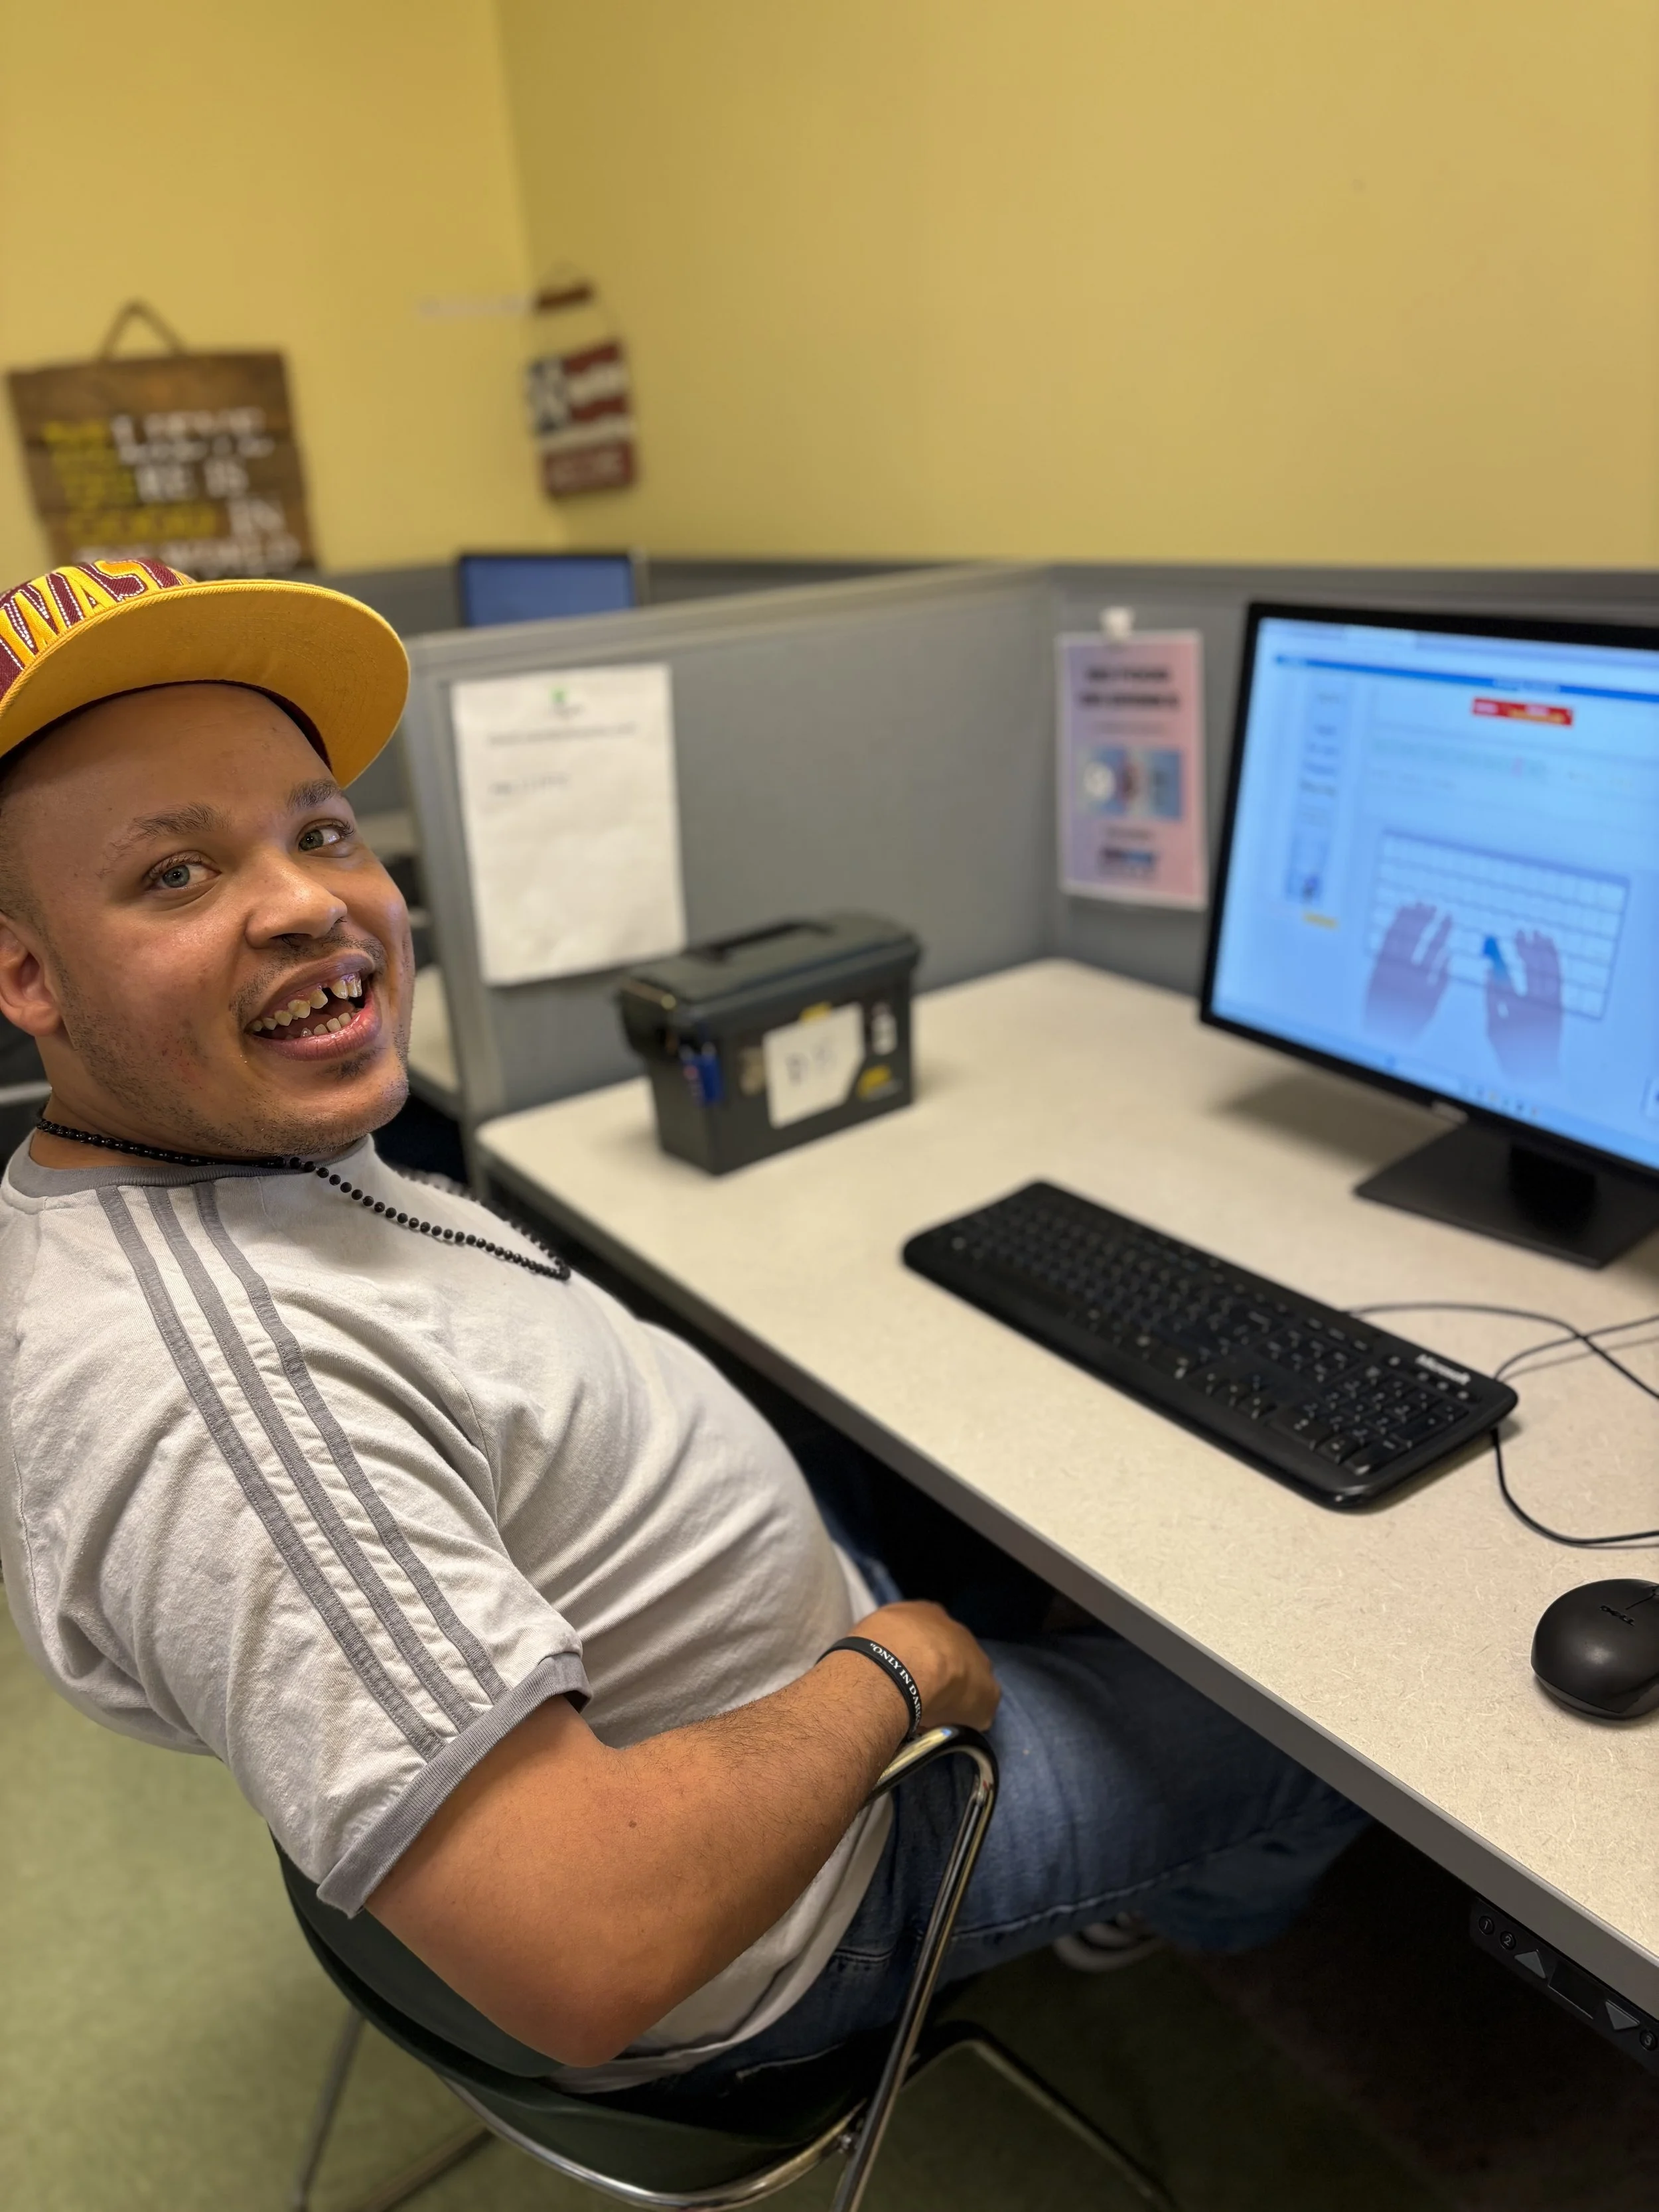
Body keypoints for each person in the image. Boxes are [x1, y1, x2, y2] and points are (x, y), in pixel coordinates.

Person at [0, 559, 1366, 2097]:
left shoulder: (225, 1159)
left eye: (317, 829)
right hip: (798, 1905)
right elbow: (589, 1949)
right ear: (25, 972)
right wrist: (910, 1667)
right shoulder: (218, 1396)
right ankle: (1191, 1913)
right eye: (174, 875)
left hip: (724, 1670)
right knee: (1324, 1714)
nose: (310, 898)